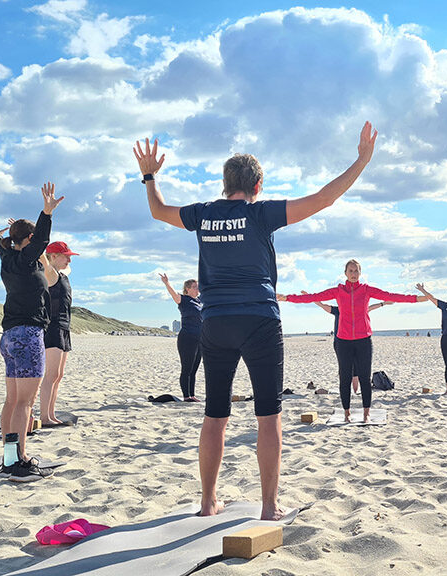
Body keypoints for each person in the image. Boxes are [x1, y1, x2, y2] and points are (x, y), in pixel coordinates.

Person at [133, 121, 378, 520]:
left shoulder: (203, 214)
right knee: (268, 415)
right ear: (257, 186)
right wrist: (361, 161)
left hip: (215, 322)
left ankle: (208, 502)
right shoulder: (261, 214)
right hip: (260, 320)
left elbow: (158, 210)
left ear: (224, 184)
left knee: (215, 415)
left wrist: (149, 176)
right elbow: (323, 199)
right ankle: (268, 506)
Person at [280, 259, 427, 422]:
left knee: (364, 377)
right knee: (344, 378)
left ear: (360, 273)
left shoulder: (366, 290)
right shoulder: (338, 291)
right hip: (343, 341)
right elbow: (314, 297)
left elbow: (390, 296)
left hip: (364, 339)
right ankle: (346, 412)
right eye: (350, 271)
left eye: (356, 271)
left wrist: (415, 299)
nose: (353, 274)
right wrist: (287, 298)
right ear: (345, 273)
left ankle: (366, 413)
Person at [0, 182, 64, 480]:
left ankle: (8, 460)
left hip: (9, 338)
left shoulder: (9, 260)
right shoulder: (26, 258)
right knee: (24, 403)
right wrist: (46, 212)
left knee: (12, 401)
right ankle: (19, 461)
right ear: (28, 241)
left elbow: (4, 246)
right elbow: (41, 239)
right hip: (28, 336)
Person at [311, 295, 393, 393]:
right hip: (340, 342)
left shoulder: (356, 309)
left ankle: (354, 392)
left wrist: (383, 303)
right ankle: (346, 390)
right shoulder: (337, 310)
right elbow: (322, 305)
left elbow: (370, 308)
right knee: (344, 367)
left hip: (355, 341)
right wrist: (310, 297)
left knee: (356, 368)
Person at [37, 241, 78, 426]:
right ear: (53, 256)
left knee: (59, 375)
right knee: (51, 374)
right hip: (53, 328)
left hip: (64, 328)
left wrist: (65, 262)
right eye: (66, 255)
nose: (69, 259)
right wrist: (32, 237)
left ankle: (51, 415)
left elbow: (67, 268)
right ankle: (45, 417)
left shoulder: (63, 273)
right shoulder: (50, 272)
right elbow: (41, 254)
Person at [160, 273, 203, 402]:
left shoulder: (200, 302)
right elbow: (173, 295)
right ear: (187, 289)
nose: (197, 289)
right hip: (187, 338)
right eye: (195, 287)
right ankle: (186, 396)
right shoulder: (183, 300)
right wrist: (167, 283)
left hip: (200, 339)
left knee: (194, 369)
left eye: (198, 287)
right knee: (187, 368)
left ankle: (192, 395)